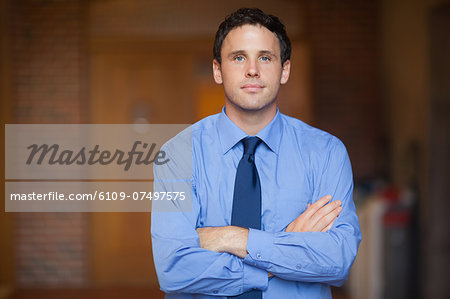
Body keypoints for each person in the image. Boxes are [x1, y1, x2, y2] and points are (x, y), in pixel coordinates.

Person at [151, 7, 361, 298]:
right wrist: (286, 250)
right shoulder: (177, 154)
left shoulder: (326, 153)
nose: (253, 69)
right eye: (239, 57)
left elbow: (337, 260)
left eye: (265, 57)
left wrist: (230, 237)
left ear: (284, 70)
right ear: (217, 70)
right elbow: (173, 268)